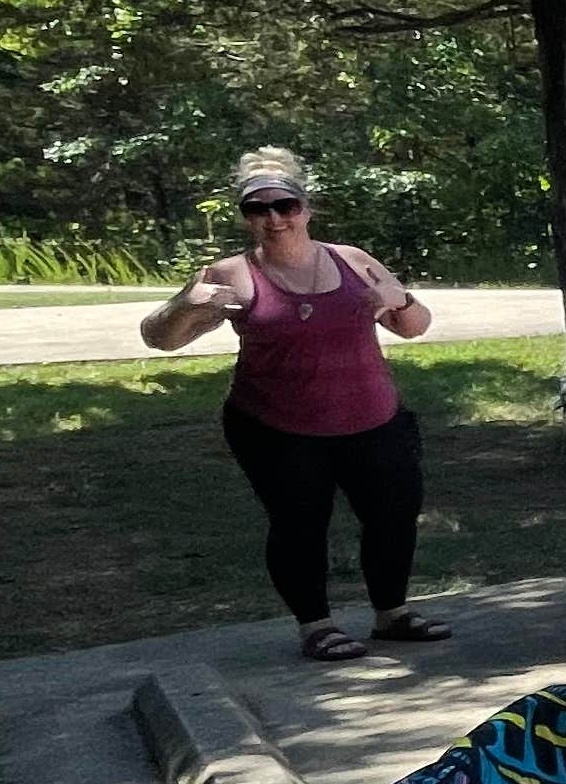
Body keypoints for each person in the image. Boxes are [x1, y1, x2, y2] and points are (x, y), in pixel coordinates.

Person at [142, 150, 447, 663]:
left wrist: (401, 298)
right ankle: (317, 626)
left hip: (373, 418)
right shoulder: (229, 275)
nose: (274, 218)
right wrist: (185, 306)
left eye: (285, 205)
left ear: (306, 208)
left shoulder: (352, 261)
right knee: (300, 523)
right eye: (258, 209)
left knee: (393, 515)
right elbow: (159, 339)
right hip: (277, 427)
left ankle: (391, 615)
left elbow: (413, 325)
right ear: (245, 216)